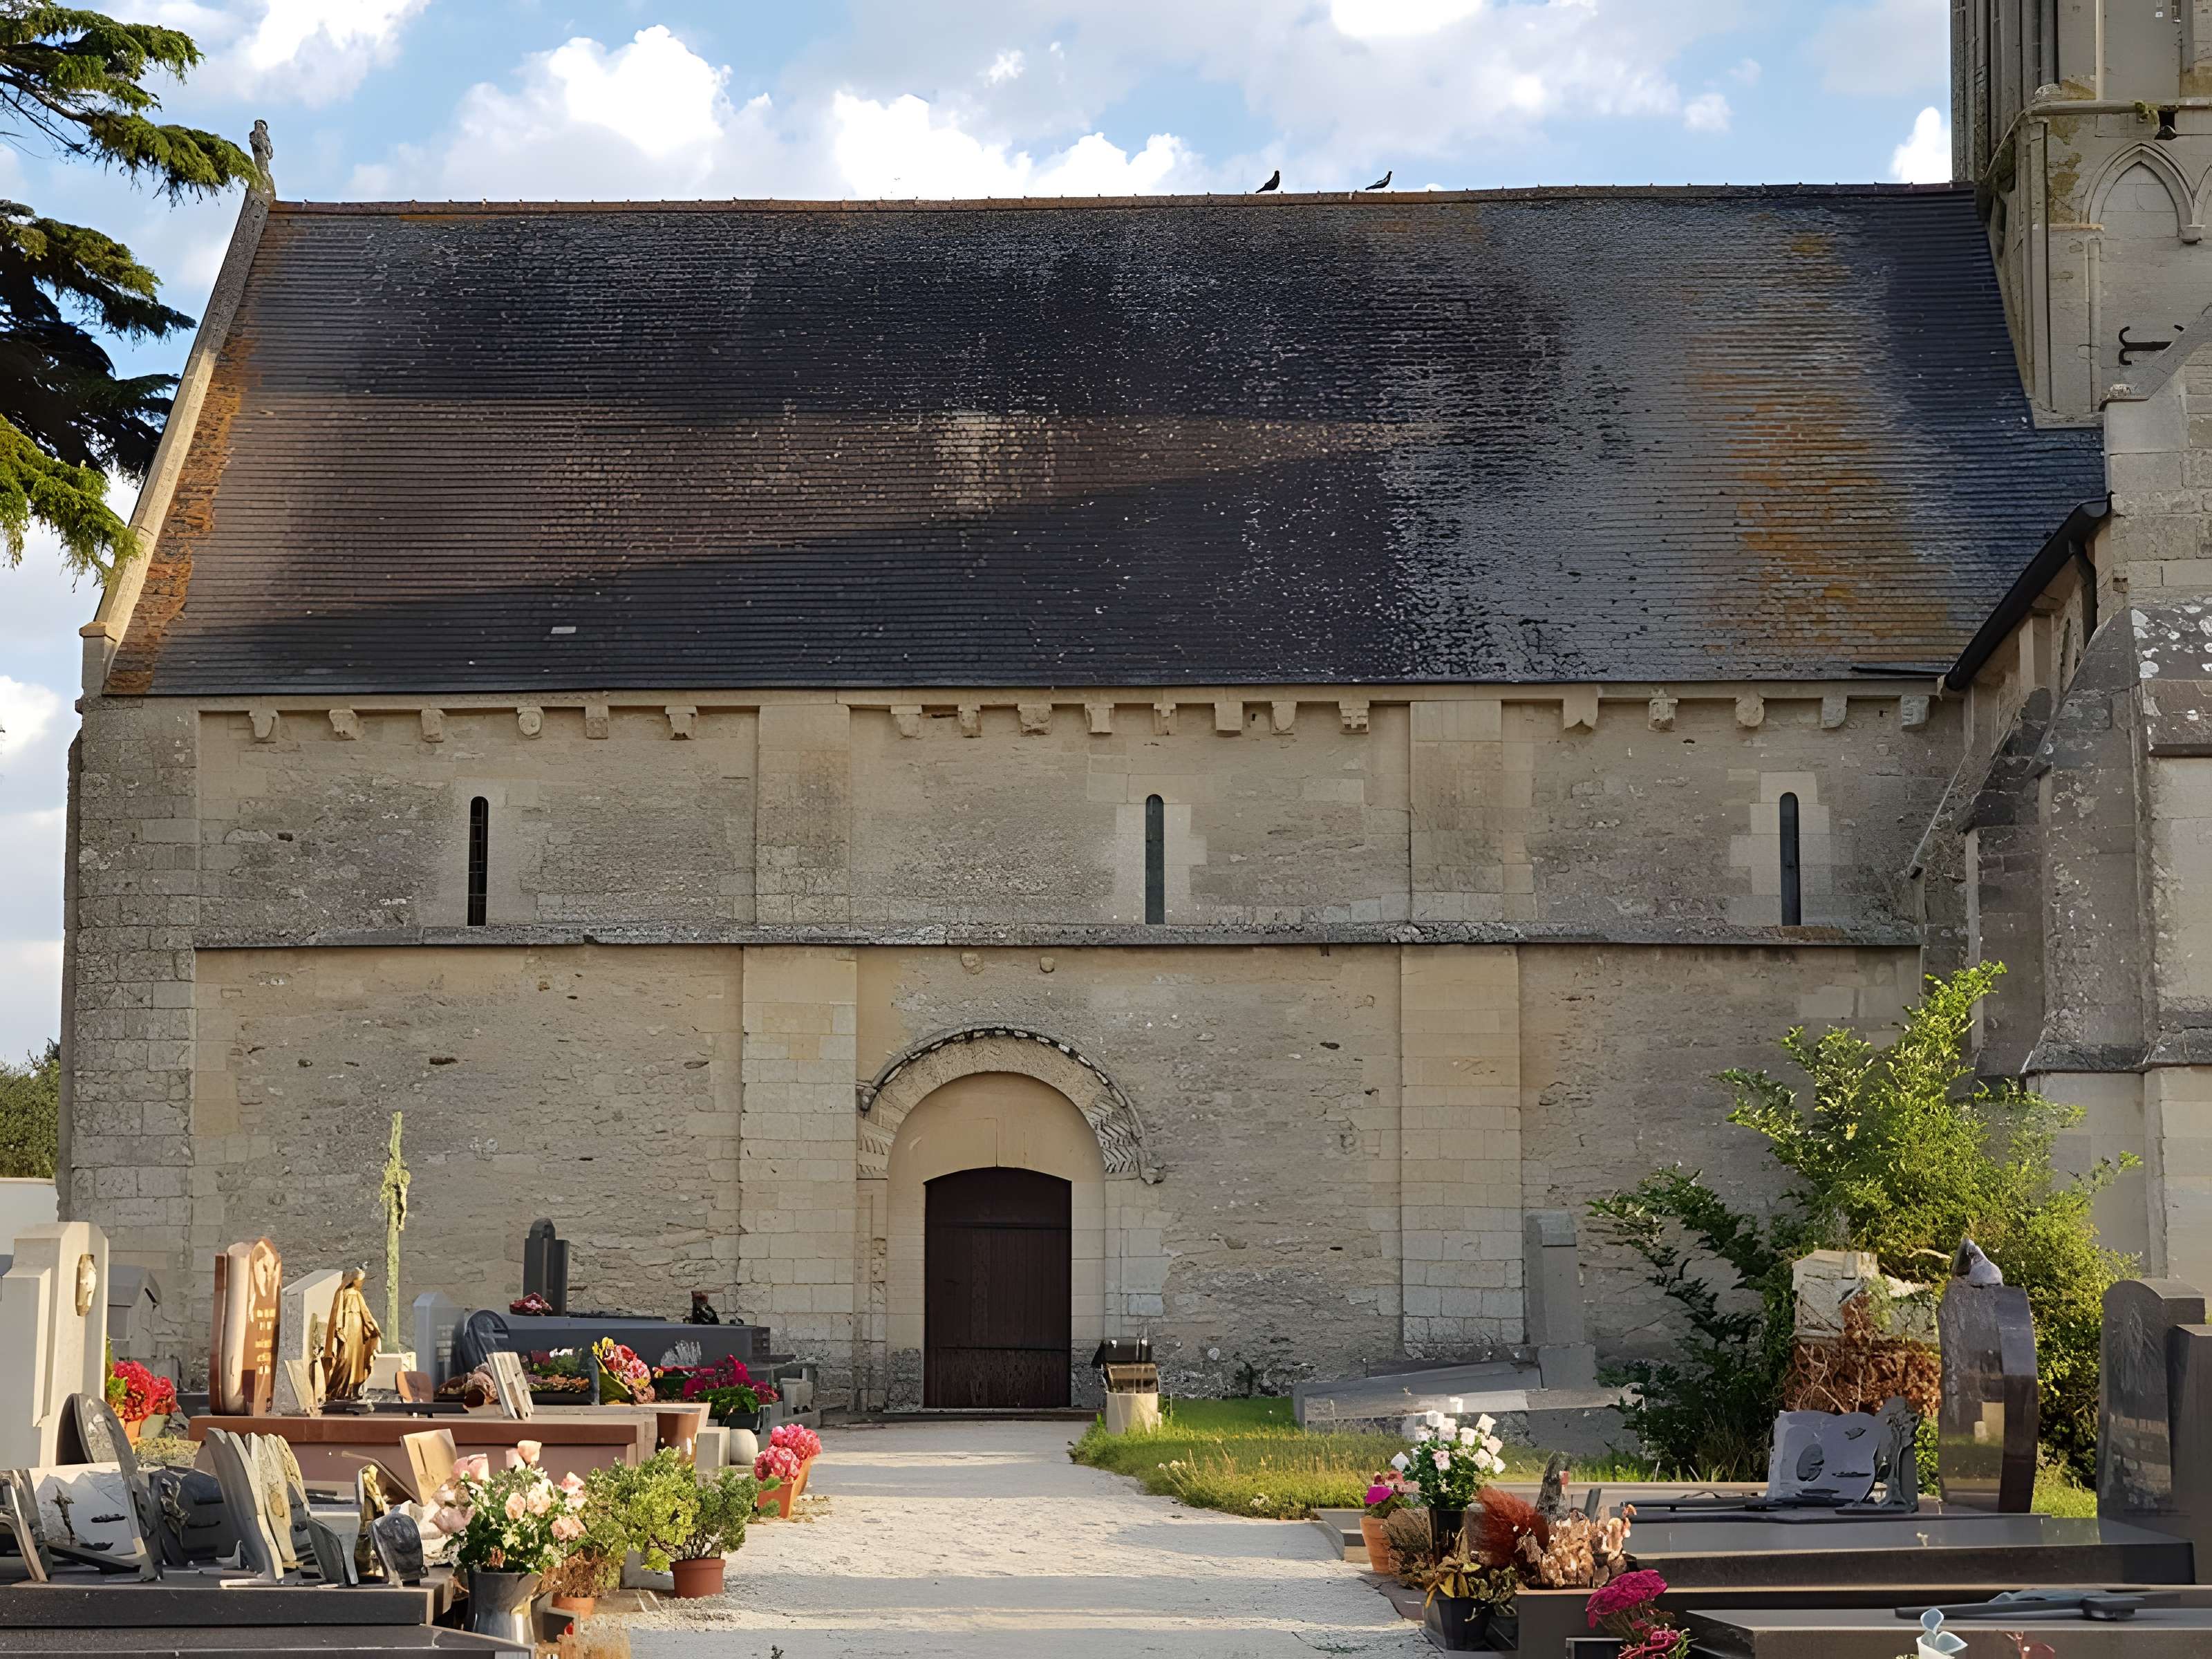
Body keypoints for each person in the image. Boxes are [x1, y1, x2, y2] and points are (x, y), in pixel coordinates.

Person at [322, 1268, 382, 1400]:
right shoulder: (344, 1293)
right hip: (348, 1329)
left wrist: (373, 1326)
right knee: (346, 1359)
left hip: (358, 1329)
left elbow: (366, 1314)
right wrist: (340, 1328)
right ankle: (338, 1390)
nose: (362, 1282)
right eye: (360, 1280)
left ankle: (351, 1390)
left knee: (357, 1360)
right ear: (353, 1280)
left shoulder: (357, 1294)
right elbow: (338, 1313)